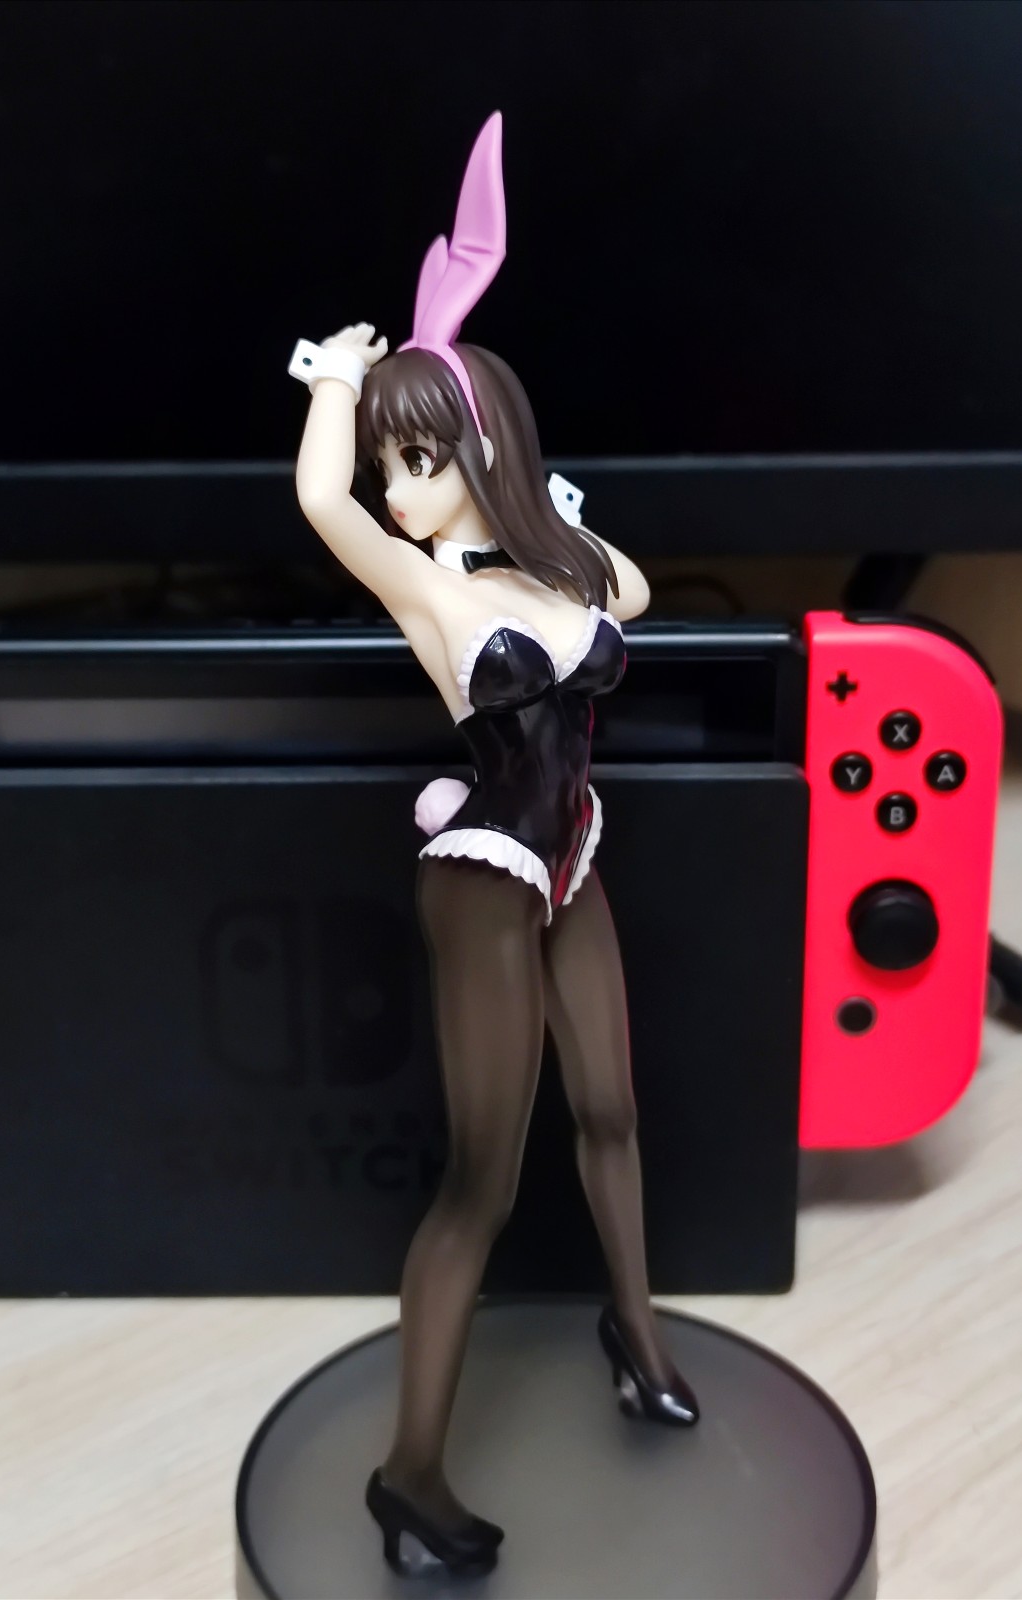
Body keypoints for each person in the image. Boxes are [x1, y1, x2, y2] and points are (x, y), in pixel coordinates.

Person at [290, 113, 697, 1579]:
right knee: (483, 1181)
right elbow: (320, 500)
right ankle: (408, 1478)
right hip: (485, 879)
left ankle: (634, 1335)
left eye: (422, 457)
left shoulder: (546, 572)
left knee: (613, 1111)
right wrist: (341, 385)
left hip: (571, 853)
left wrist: (545, 516)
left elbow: (628, 595)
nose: (401, 489)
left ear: (481, 448)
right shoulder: (433, 597)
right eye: (394, 463)